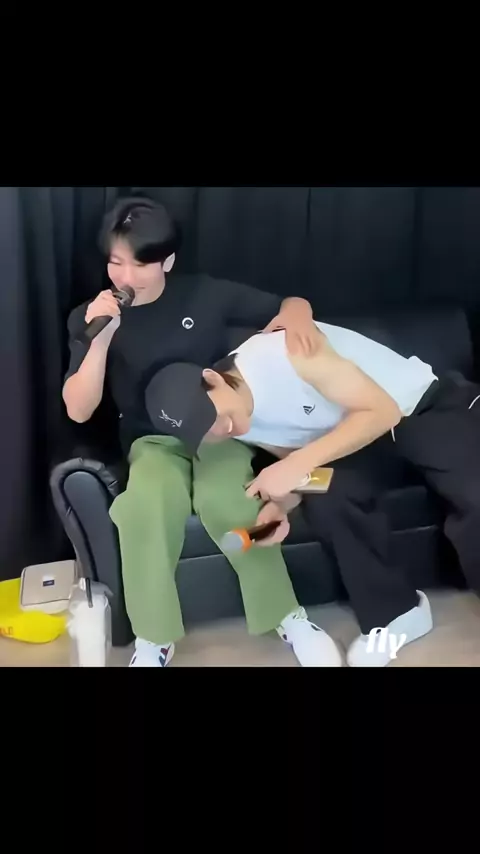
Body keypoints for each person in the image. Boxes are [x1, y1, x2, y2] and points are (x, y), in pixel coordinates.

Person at [63, 196, 342, 668]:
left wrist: (298, 315)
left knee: (231, 501)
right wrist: (102, 337)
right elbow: (78, 410)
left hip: (218, 429)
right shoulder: (90, 316)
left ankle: (288, 616)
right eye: (116, 262)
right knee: (144, 506)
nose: (126, 277)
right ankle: (154, 639)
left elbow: (288, 304)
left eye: (140, 264)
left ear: (167, 261)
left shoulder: (204, 294)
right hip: (153, 441)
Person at [144, 320, 480, 666]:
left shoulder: (287, 354)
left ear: (213, 379)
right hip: (359, 445)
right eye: (204, 431)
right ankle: (398, 615)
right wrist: (282, 505)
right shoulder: (236, 425)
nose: (220, 429)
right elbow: (303, 467)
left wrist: (295, 467)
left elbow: (383, 411)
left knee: (474, 494)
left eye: (210, 415)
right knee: (325, 492)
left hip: (419, 406)